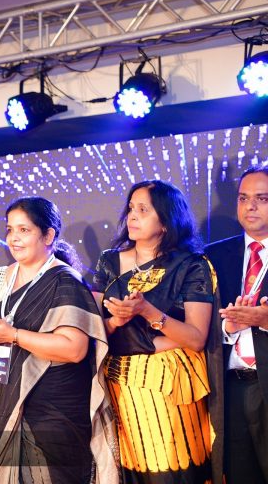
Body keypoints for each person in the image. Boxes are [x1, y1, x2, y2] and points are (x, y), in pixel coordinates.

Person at [0, 196, 117, 484]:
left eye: (24, 230)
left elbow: (75, 349)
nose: (14, 238)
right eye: (10, 229)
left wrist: (12, 335)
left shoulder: (65, 280)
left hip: (53, 407)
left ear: (48, 235)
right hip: (6, 400)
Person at [92, 180, 219, 484]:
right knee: (131, 472)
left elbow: (196, 338)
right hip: (119, 383)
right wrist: (116, 322)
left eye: (143, 210)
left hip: (167, 384)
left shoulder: (192, 265)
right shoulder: (109, 261)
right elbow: (93, 329)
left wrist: (147, 311)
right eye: (131, 208)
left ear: (165, 221)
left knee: (172, 469)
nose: (132, 216)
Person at [206, 164, 268, 484]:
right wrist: (227, 329)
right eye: (243, 198)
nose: (250, 206)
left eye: (261, 198)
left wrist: (265, 321)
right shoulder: (212, 257)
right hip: (230, 388)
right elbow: (197, 325)